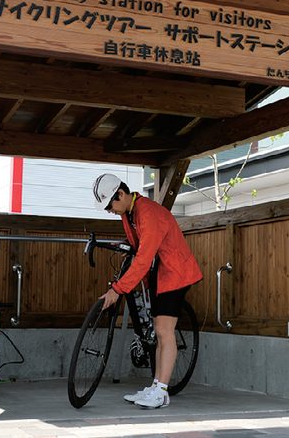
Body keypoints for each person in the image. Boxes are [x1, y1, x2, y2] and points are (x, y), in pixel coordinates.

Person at [92, 173, 203, 409]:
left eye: (109, 205)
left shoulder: (148, 213)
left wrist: (117, 289)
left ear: (121, 194)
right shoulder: (129, 213)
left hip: (175, 273)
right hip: (160, 275)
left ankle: (161, 392)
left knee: (164, 331)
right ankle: (156, 386)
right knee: (159, 332)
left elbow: (143, 258)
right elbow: (137, 248)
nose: (109, 211)